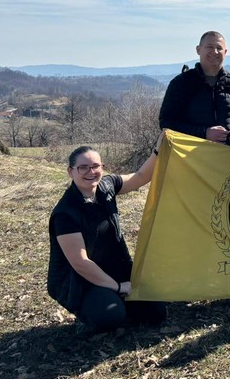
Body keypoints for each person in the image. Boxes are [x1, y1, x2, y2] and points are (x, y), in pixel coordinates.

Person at [48, 138, 167, 333]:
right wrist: (119, 287)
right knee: (110, 316)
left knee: (157, 311)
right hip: (81, 281)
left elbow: (141, 176)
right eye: (83, 167)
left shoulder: (106, 187)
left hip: (116, 269)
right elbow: (81, 263)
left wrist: (158, 151)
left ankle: (117, 301)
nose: (91, 172)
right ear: (70, 171)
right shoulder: (65, 213)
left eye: (96, 166)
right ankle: (94, 309)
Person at [159, 31, 230, 144]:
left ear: (225, 52)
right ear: (198, 50)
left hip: (229, 154)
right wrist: (204, 133)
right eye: (209, 47)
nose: (215, 51)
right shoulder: (181, 83)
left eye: (219, 48)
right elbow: (167, 122)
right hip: (191, 156)